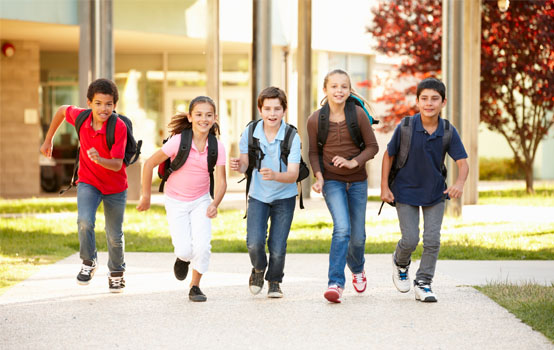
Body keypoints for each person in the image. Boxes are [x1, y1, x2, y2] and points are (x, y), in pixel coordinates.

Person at [380, 77, 469, 302]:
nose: (429, 103)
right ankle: (400, 262)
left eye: (434, 99)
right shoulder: (407, 126)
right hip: (405, 191)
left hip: (435, 193)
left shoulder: (448, 130)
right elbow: (388, 155)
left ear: (443, 102)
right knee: (410, 239)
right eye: (424, 99)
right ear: (418, 101)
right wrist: (384, 187)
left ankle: (424, 282)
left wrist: (459, 184)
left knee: (432, 240)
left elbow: (463, 163)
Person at [40, 78, 128, 293]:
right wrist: (48, 139)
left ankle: (116, 273)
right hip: (88, 181)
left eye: (108, 104)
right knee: (84, 221)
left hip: (115, 186)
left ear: (115, 105)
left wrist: (99, 159)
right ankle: (89, 261)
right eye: (98, 103)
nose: (103, 108)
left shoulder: (118, 127)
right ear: (89, 103)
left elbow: (117, 164)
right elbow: (61, 110)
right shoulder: (81, 117)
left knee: (114, 234)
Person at [137, 96, 227, 302]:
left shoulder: (217, 146)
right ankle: (183, 258)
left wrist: (215, 203)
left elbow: (222, 182)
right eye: (199, 114)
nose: (203, 119)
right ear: (190, 117)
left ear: (215, 118)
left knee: (203, 246)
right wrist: (146, 196)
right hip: (176, 201)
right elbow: (149, 163)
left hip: (201, 200)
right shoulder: (179, 141)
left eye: (208, 115)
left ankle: (195, 286)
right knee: (185, 249)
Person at [307, 69, 379, 303]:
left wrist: (353, 162)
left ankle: (357, 269)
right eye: (334, 86)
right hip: (332, 181)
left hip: (357, 181)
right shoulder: (316, 119)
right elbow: (313, 152)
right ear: (325, 89)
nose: (339, 90)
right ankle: (335, 283)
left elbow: (372, 147)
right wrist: (319, 177)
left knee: (357, 237)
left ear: (349, 90)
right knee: (342, 229)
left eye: (344, 86)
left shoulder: (357, 114)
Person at [230, 86, 300, 298]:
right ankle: (259, 269)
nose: (272, 113)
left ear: (284, 110)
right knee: (254, 242)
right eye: (267, 108)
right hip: (258, 196)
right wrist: (238, 166)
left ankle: (275, 281)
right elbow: (245, 165)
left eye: (277, 109)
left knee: (278, 247)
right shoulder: (250, 132)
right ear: (260, 110)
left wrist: (275, 175)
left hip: (284, 198)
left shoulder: (292, 136)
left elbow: (293, 175)